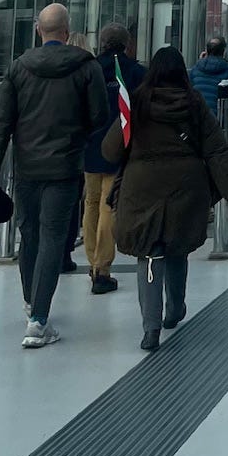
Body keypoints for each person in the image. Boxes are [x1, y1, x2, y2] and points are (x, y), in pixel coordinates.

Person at [0, 3, 108, 349]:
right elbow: (100, 115)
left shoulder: (19, 68)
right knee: (53, 237)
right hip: (65, 167)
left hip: (27, 168)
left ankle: (31, 303)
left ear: (39, 30)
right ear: (67, 31)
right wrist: (78, 137)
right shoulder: (86, 67)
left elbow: (1, 125)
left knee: (30, 235)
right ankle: (38, 318)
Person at [102, 46, 228, 353]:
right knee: (177, 247)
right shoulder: (194, 103)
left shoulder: (137, 102)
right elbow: (216, 149)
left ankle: (150, 327)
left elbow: (111, 150)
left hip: (142, 187)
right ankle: (175, 309)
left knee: (149, 252)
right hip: (186, 186)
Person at [82, 23, 146, 294]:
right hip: (120, 146)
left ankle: (92, 261)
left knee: (91, 203)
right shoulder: (136, 72)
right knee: (109, 205)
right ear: (127, 43)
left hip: (89, 146)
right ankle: (102, 268)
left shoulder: (90, 68)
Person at [189, 36, 228, 113]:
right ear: (224, 52)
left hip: (196, 116)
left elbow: (187, 94)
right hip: (217, 118)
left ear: (206, 51)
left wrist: (202, 61)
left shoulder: (195, 71)